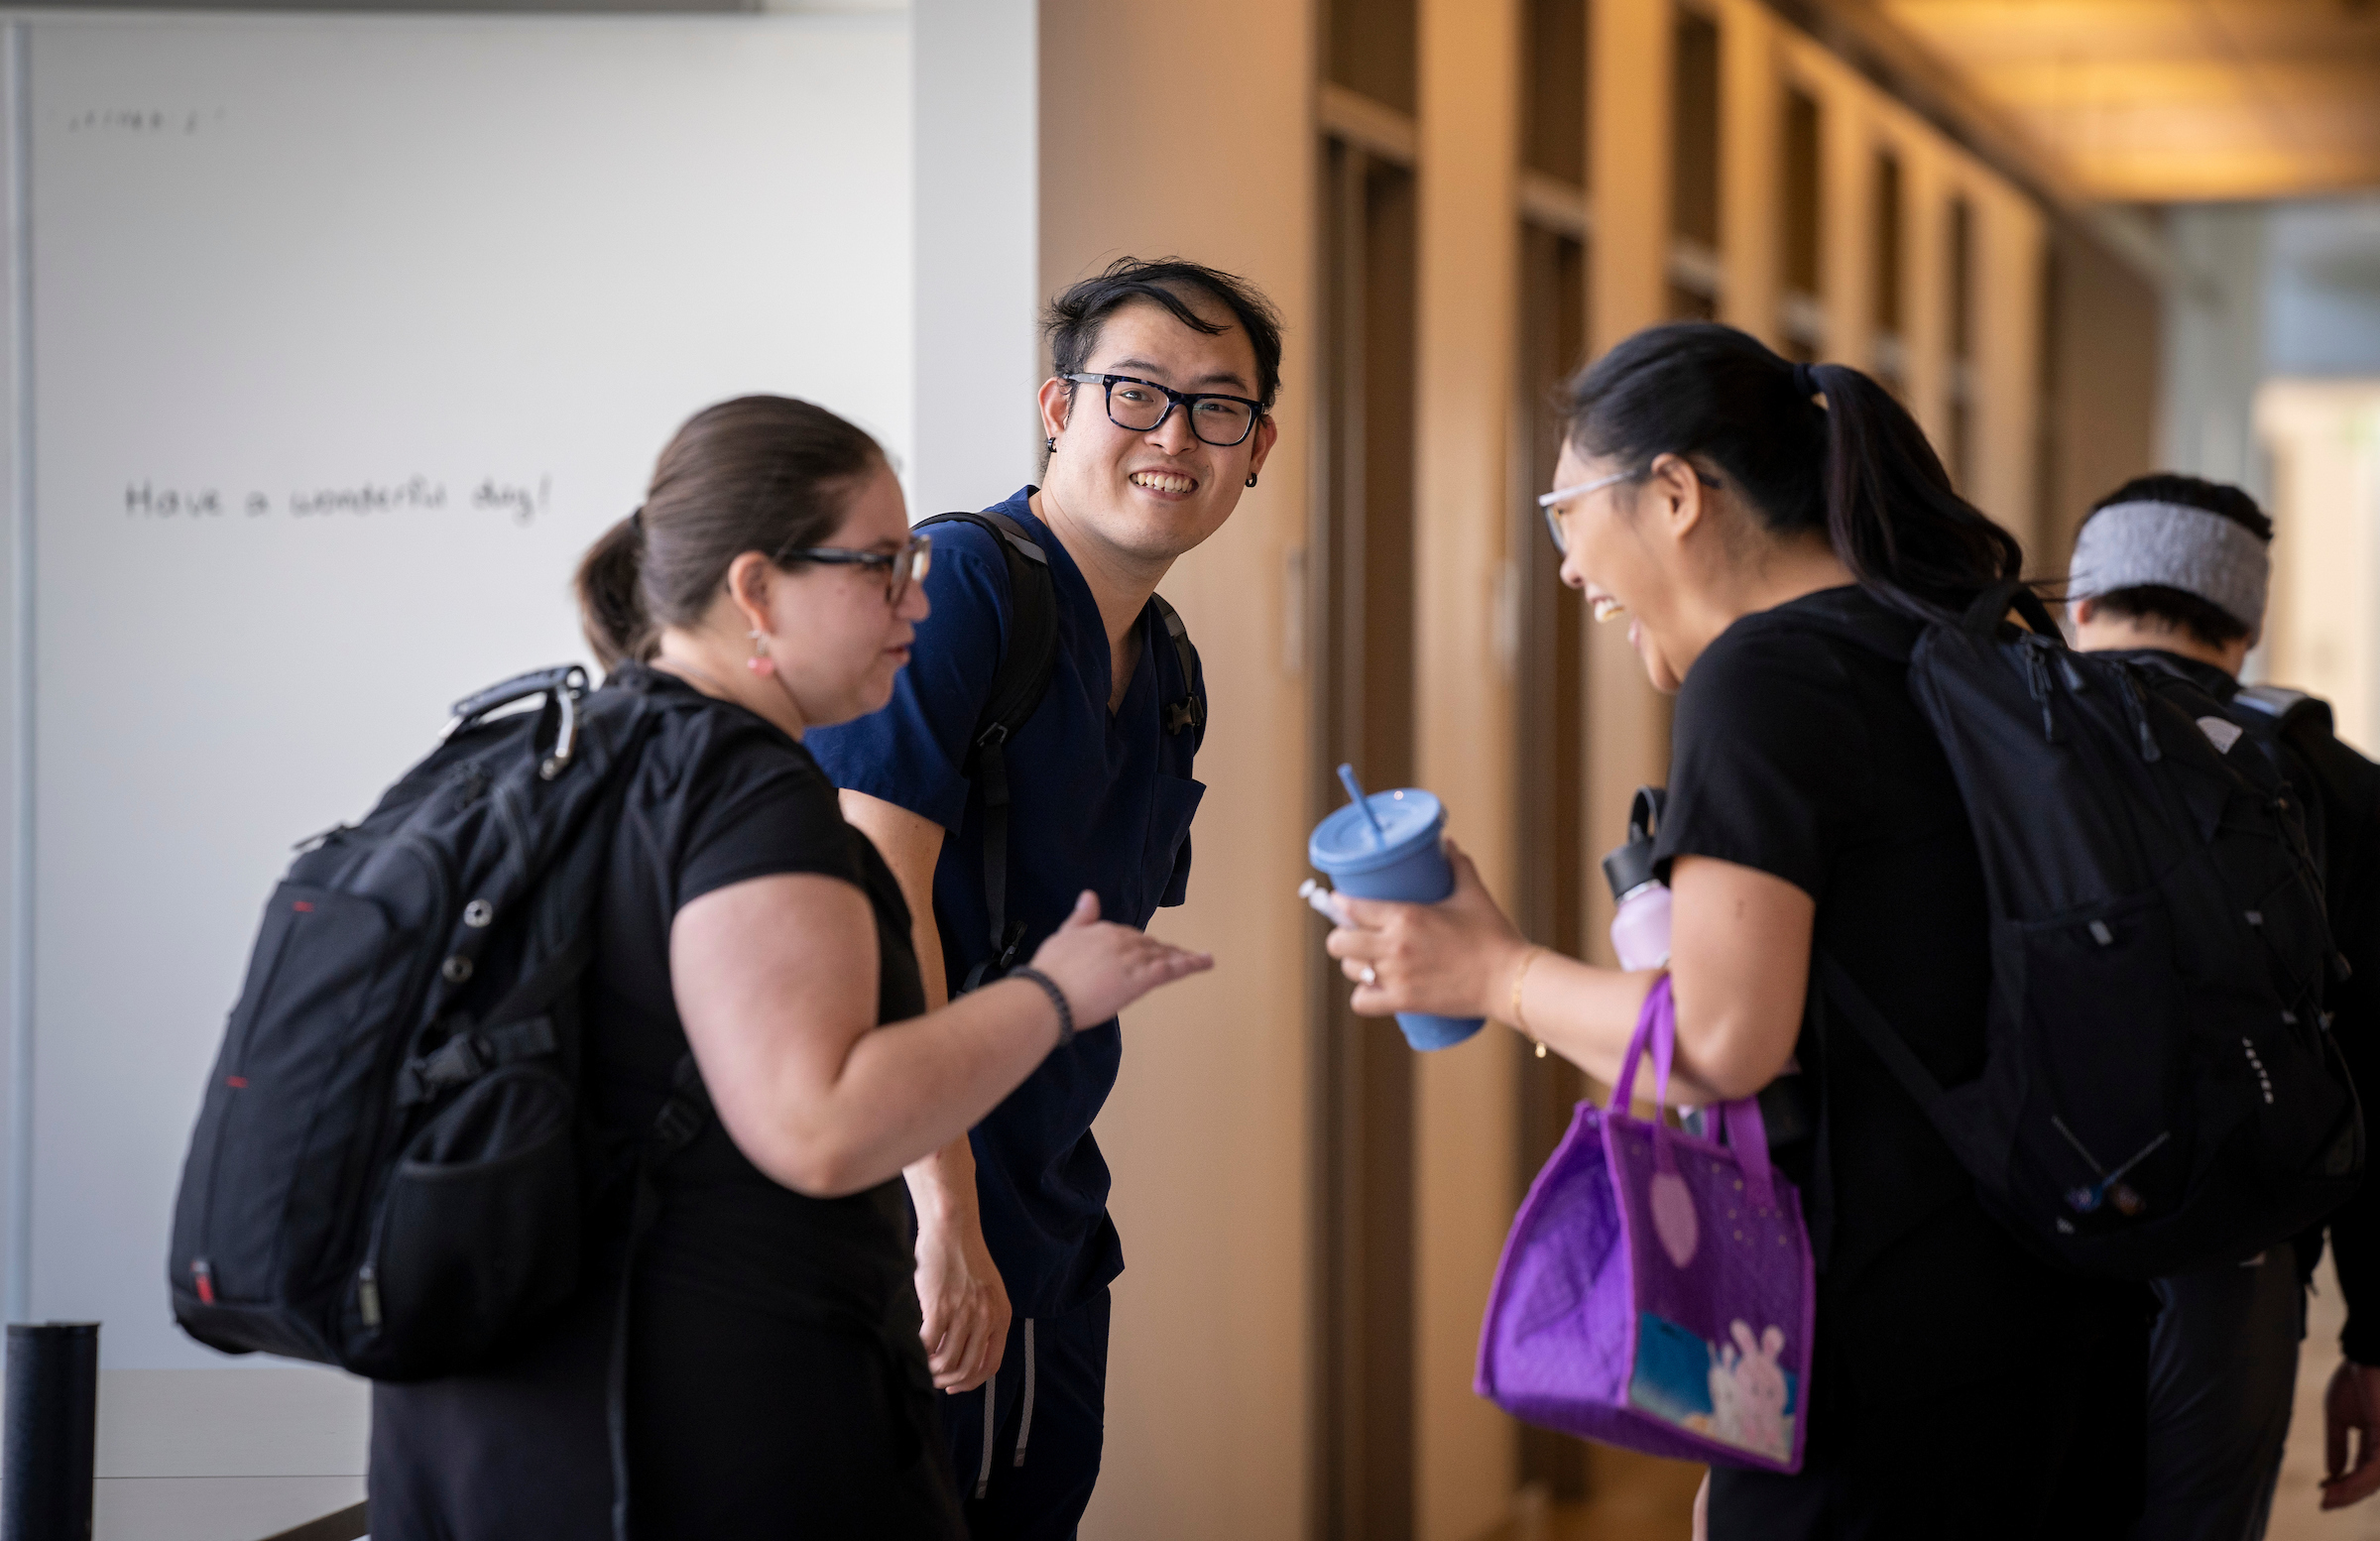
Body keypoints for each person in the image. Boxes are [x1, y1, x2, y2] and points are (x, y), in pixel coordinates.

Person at [1321, 321, 2150, 1537]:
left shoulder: (1764, 680)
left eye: (1565, 512)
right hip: (2053, 1300)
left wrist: (1491, 970)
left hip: (1887, 1343)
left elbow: (1719, 1039)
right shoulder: (1943, 638)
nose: (1564, 565)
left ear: (1672, 494)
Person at [367, 396, 1213, 1540]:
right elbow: (820, 1120)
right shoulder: (749, 800)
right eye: (880, 566)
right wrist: (1054, 993)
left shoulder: (548, 758)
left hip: (503, 1414)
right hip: (661, 1421)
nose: (917, 599)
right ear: (757, 590)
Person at [806, 257, 1280, 1536]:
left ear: (1259, 448)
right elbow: (871, 905)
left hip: (1052, 1220)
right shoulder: (961, 586)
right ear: (1058, 409)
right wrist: (944, 1211)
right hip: (902, 1221)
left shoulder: (1167, 668)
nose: (1174, 436)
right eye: (1135, 393)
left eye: (1216, 408)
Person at [2066, 473, 2380, 1537]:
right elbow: (2371, 1072)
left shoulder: (1998, 746)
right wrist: (2372, 1342)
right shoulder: (2333, 783)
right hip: (2235, 1260)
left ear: (2081, 605)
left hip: (2009, 1235)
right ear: (2248, 623)